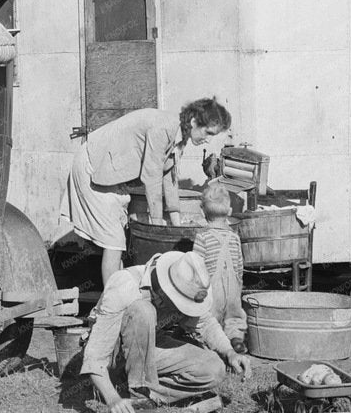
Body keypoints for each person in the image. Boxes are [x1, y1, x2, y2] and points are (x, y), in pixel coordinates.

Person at [62, 98, 232, 288]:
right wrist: (157, 224)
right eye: (208, 132)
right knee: (114, 240)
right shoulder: (163, 128)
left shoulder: (181, 135)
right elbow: (152, 176)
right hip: (93, 165)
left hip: (110, 172)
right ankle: (111, 304)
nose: (208, 139)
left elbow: (169, 176)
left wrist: (176, 223)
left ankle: (120, 293)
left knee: (118, 236)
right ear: (194, 122)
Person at [79, 248, 252, 413]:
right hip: (114, 354)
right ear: (164, 293)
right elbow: (95, 357)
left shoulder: (180, 284)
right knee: (143, 311)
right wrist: (112, 399)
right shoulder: (124, 284)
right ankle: (131, 390)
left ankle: (147, 397)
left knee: (214, 369)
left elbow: (205, 323)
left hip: (148, 345)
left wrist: (230, 352)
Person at [192, 179, 248, 352]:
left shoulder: (202, 238)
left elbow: (196, 266)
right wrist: (238, 285)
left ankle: (213, 342)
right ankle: (236, 339)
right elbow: (239, 267)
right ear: (230, 211)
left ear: (202, 212)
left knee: (210, 316)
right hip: (232, 288)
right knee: (234, 315)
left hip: (211, 290)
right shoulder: (235, 238)